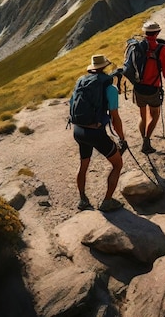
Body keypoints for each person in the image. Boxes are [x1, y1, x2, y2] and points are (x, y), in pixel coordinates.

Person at [71, 54, 127, 212]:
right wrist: (122, 138)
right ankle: (107, 201)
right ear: (105, 68)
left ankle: (82, 199)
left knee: (83, 165)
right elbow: (115, 119)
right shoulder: (110, 88)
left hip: (78, 130)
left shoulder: (81, 82)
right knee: (117, 164)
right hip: (95, 132)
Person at [134, 21, 165, 153]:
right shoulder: (161, 49)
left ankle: (144, 138)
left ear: (145, 33)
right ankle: (146, 141)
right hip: (153, 89)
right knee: (155, 114)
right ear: (157, 33)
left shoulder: (138, 46)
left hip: (138, 88)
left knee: (143, 116)